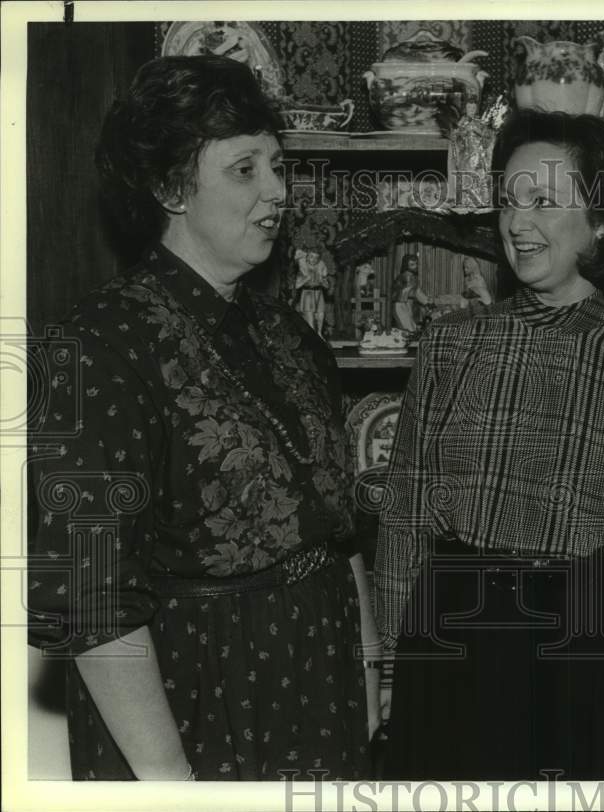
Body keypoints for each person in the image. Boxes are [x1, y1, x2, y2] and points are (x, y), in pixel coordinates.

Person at [26, 55, 380, 781]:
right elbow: (93, 598)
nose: (278, 192)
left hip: (321, 691)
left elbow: (340, 531)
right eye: (244, 170)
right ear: (167, 187)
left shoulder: (295, 337)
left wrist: (367, 676)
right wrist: (170, 782)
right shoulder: (99, 346)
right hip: (195, 707)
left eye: (279, 167)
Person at [375, 109, 604, 780]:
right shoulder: (452, 344)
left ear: (601, 220)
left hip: (590, 643)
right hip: (456, 631)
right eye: (509, 202)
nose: (517, 223)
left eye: (544, 201)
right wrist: (391, 668)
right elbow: (404, 514)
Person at [293, 248, 332, 336]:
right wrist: (306, 278)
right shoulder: (303, 270)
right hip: (308, 294)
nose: (313, 260)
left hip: (318, 293)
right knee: (309, 316)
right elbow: (297, 285)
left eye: (316, 258)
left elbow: (326, 286)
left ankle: (319, 334)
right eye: (311, 257)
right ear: (307, 258)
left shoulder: (320, 269)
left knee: (320, 315)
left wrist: (322, 281)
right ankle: (313, 335)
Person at [390, 254, 431, 332]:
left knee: (412, 326)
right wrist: (426, 302)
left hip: (406, 304)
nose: (415, 266)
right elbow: (415, 291)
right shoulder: (405, 276)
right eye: (412, 264)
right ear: (406, 265)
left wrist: (426, 301)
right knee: (407, 327)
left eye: (416, 264)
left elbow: (416, 291)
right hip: (399, 304)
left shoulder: (412, 277)